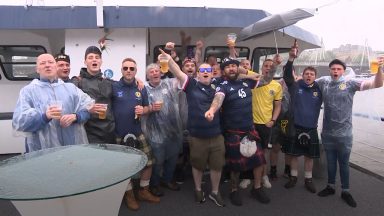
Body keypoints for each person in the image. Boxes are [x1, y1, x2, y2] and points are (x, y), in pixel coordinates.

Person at [160, 49, 226, 206]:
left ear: (212, 73)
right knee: (197, 165)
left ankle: (215, 192)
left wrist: (211, 110)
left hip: (216, 135)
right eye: (202, 70)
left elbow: (219, 98)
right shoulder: (191, 85)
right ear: (198, 73)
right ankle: (197, 189)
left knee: (217, 166)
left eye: (208, 70)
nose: (205, 72)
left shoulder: (218, 85)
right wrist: (169, 59)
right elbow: (178, 72)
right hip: (196, 136)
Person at [316, 58, 383, 208]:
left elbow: (376, 84)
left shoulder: (350, 83)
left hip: (344, 134)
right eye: (333, 69)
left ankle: (346, 191)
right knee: (331, 162)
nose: (335, 71)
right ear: (329, 70)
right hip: (327, 132)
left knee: (344, 164)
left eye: (339, 69)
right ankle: (331, 186)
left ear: (343, 71)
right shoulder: (324, 82)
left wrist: (379, 70)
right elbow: (306, 81)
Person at [205, 57, 270, 206]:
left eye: (234, 66)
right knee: (236, 166)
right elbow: (218, 99)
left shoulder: (247, 82)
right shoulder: (223, 85)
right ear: (223, 71)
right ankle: (234, 190)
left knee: (259, 162)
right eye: (228, 67)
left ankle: (257, 188)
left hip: (250, 130)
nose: (232, 69)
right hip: (234, 132)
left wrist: (276, 65)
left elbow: (266, 79)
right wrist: (212, 110)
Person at [13, 54, 94, 152]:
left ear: (55, 67)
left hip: (71, 149)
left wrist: (76, 116)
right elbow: (20, 122)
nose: (47, 65)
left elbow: (89, 109)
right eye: (42, 63)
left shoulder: (71, 89)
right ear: (37, 69)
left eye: (51, 62)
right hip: (42, 152)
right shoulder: (28, 91)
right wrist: (44, 117)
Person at [112, 58, 160, 211]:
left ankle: (144, 190)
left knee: (149, 162)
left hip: (137, 132)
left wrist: (144, 110)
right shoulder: (113, 86)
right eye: (125, 68)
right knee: (122, 167)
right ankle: (129, 194)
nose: (128, 70)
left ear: (136, 71)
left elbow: (147, 108)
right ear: (121, 70)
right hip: (119, 134)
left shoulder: (141, 88)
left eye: (132, 68)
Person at [282, 43, 322, 193]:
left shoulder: (320, 88)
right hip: (296, 126)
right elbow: (286, 76)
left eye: (312, 74)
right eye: (306, 74)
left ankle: (308, 179)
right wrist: (291, 58)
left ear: (315, 77)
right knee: (293, 155)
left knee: (309, 157)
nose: (309, 76)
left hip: (311, 128)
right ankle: (293, 177)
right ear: (303, 75)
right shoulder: (295, 86)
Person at [141, 63, 183, 197]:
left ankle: (167, 180)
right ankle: (154, 184)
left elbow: (181, 77)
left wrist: (171, 59)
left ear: (161, 73)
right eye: (151, 72)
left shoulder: (169, 84)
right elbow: (141, 108)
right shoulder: (144, 88)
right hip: (155, 132)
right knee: (158, 161)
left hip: (173, 129)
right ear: (147, 76)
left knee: (172, 158)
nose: (154, 73)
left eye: (156, 71)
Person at [71, 46, 116, 144]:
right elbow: (70, 104)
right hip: (89, 134)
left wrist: (136, 81)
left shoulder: (109, 82)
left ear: (101, 61)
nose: (94, 60)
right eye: (90, 57)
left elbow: (125, 86)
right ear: (85, 62)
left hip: (110, 133)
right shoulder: (77, 82)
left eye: (97, 57)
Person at [251, 57, 283, 188]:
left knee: (263, 153)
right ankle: (248, 177)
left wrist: (273, 120)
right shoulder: (254, 81)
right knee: (249, 151)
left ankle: (263, 176)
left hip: (266, 124)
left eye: (271, 66)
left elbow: (278, 106)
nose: (268, 68)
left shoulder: (277, 85)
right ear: (262, 67)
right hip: (251, 122)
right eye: (266, 65)